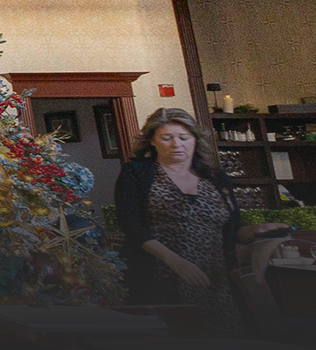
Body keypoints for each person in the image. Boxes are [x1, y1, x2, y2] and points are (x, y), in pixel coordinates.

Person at [114, 107, 288, 333]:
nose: (177, 144)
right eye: (167, 138)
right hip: (158, 273)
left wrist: (261, 231)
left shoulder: (215, 178)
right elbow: (130, 224)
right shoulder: (136, 172)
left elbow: (234, 231)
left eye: (184, 137)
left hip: (213, 278)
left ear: (195, 140)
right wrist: (175, 261)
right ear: (152, 142)